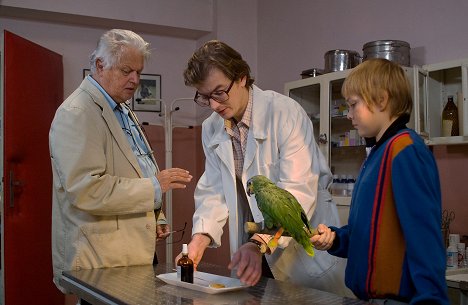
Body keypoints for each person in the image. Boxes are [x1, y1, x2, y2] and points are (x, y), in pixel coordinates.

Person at [177, 40, 351, 296]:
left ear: (242, 78)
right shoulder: (212, 127)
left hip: (302, 249)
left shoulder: (284, 112)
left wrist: (258, 244)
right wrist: (200, 237)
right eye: (204, 96)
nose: (213, 105)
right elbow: (214, 190)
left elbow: (298, 192)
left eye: (218, 92)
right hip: (254, 251)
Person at [49, 29, 193, 295]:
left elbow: (135, 168)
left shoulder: (122, 108)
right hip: (103, 257)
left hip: (132, 251)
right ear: (100, 65)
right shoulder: (77, 113)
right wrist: (154, 188)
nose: (135, 80)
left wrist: (155, 215)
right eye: (127, 71)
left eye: (139, 72)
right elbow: (86, 190)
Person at [311, 58, 449, 304]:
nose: (350, 115)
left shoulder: (405, 150)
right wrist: (335, 238)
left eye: (354, 105)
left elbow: (424, 239)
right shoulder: (377, 154)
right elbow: (367, 233)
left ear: (382, 100)